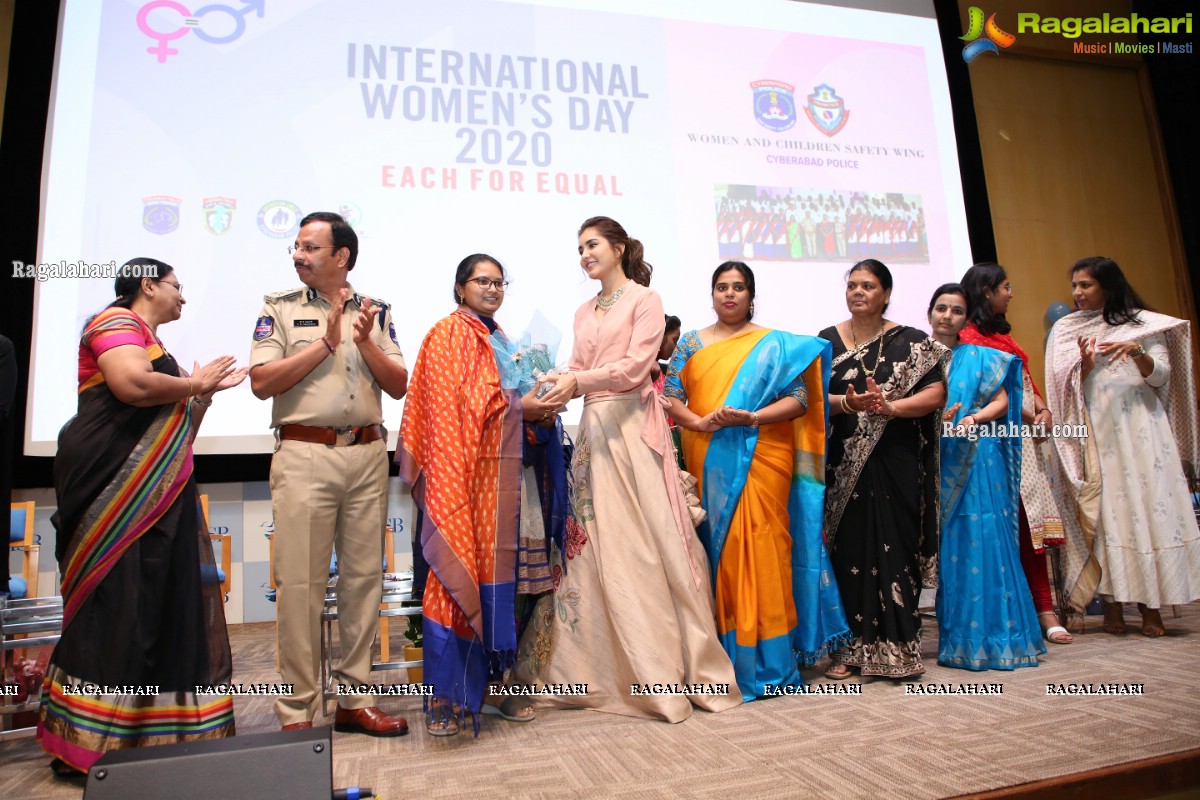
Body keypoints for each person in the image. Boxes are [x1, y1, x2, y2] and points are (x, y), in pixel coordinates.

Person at [519, 216, 740, 721]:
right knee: (594, 545)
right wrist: (553, 384)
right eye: (579, 248)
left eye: (592, 244)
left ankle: (671, 670)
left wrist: (577, 381)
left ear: (618, 248)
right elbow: (577, 364)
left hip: (633, 427)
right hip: (595, 427)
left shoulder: (646, 299)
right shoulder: (581, 310)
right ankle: (604, 666)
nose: (584, 255)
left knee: (647, 541)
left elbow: (638, 368)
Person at [40, 259, 245, 775]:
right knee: (116, 606)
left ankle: (153, 740)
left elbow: (178, 428)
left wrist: (203, 395)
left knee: (156, 606)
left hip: (161, 493)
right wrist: (193, 385)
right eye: (178, 286)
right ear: (148, 284)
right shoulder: (114, 324)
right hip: (110, 485)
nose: (183, 297)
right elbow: (132, 386)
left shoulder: (156, 346)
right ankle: (86, 746)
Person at [249, 211, 409, 735]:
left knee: (365, 581)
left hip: (366, 454)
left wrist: (362, 341)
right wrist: (325, 342)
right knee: (301, 584)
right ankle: (297, 711)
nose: (298, 255)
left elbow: (399, 384)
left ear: (341, 257)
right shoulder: (279, 308)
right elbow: (262, 382)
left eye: (310, 247)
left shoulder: (376, 311)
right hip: (304, 454)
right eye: (296, 247)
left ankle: (354, 701)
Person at [397, 253, 566, 736]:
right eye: (482, 281)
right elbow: (463, 404)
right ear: (459, 288)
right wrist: (522, 406)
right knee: (453, 584)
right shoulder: (449, 334)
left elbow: (499, 399)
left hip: (505, 481)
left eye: (499, 283)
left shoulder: (501, 340)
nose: (492, 289)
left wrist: (541, 411)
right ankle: (446, 697)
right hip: (462, 482)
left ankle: (498, 687)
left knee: (510, 588)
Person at [664, 261, 849, 700]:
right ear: (712, 294)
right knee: (720, 552)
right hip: (710, 453)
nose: (730, 294)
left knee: (766, 546)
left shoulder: (774, 344)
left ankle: (771, 661)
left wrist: (750, 416)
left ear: (751, 295)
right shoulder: (691, 342)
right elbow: (670, 397)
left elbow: (799, 401)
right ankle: (724, 661)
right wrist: (703, 423)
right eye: (722, 287)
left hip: (765, 452)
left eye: (739, 287)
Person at [1046, 257, 1200, 636]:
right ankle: (1112, 606)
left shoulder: (1145, 324)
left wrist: (1136, 351)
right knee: (1108, 517)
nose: (1077, 294)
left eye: (1085, 286)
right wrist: (1081, 367)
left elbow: (1161, 376)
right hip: (1098, 436)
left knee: (1147, 513)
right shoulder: (1067, 329)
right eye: (1075, 286)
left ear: (1108, 286)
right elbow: (1061, 388)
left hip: (1143, 435)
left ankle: (1151, 610)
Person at [820, 259, 948, 679]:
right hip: (842, 465)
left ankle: (897, 648)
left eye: (869, 285)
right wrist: (847, 404)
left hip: (896, 458)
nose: (859, 292)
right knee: (848, 550)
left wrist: (891, 408)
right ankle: (845, 651)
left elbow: (935, 393)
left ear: (886, 294)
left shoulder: (912, 342)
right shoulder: (824, 342)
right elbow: (812, 400)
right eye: (853, 285)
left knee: (897, 545)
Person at [930, 284, 1044, 670]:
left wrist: (973, 418)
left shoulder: (980, 357)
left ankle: (1003, 637)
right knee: (955, 547)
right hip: (938, 460)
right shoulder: (918, 359)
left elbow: (1002, 401)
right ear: (930, 313)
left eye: (956, 310)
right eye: (941, 308)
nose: (947, 315)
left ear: (966, 318)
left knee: (987, 539)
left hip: (979, 457)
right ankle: (960, 640)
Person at [960, 263, 1072, 644]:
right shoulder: (968, 338)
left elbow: (1026, 380)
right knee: (1006, 525)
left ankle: (1044, 607)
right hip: (991, 440)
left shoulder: (1004, 336)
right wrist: (1029, 411)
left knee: (1030, 525)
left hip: (1023, 437)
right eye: (1006, 287)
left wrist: (1044, 409)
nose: (1011, 293)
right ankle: (1024, 610)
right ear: (987, 291)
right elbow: (994, 391)